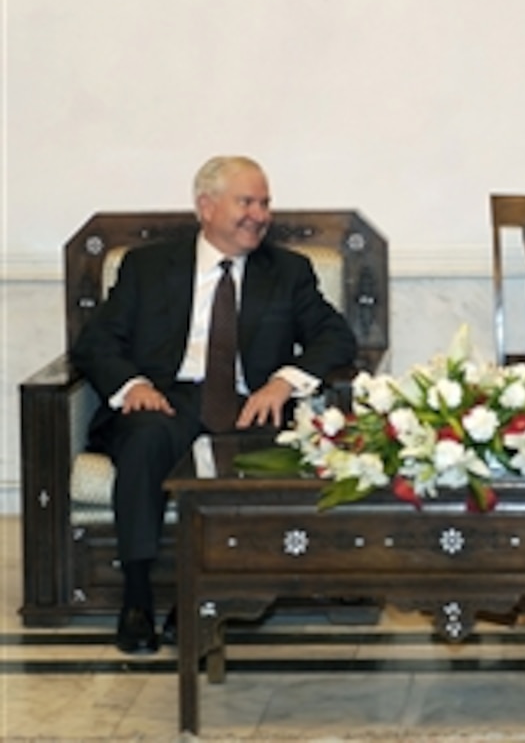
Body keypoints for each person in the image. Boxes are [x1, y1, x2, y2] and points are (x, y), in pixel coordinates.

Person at [72, 156, 357, 654]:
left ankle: (201, 600)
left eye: (265, 203)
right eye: (246, 201)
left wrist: (283, 383)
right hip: (167, 399)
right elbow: (96, 343)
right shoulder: (148, 267)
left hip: (253, 405)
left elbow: (336, 338)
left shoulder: (288, 271)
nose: (260, 214)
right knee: (142, 442)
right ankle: (136, 597)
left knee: (270, 453)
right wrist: (132, 385)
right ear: (206, 206)